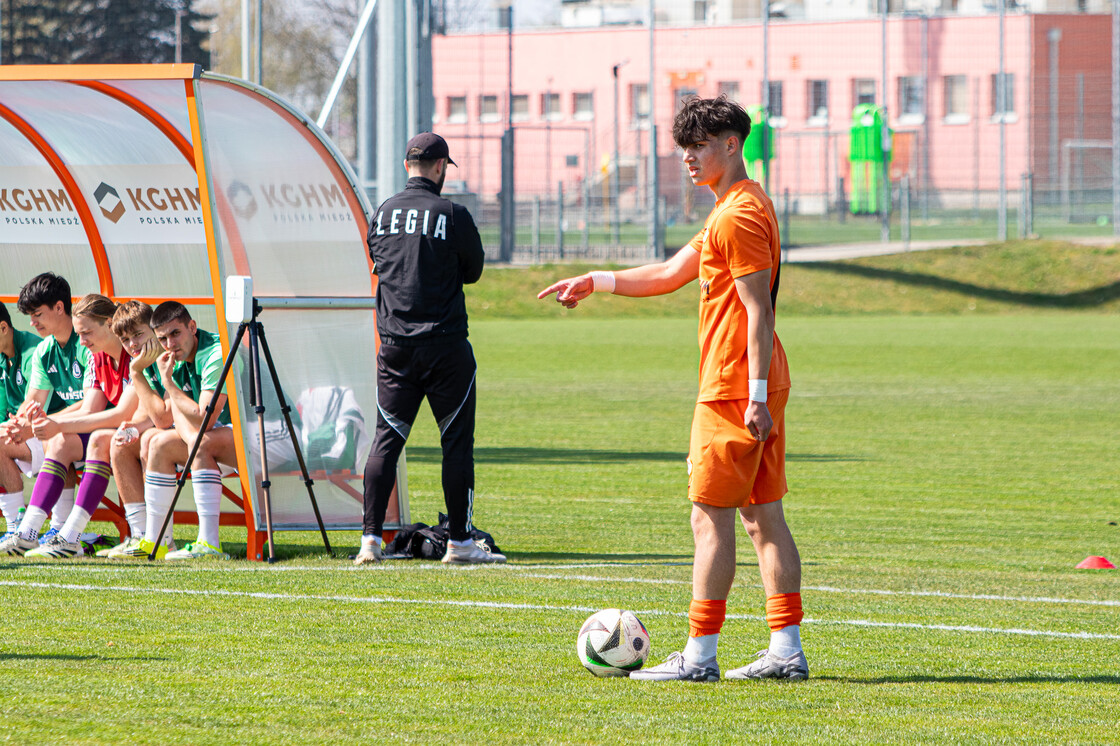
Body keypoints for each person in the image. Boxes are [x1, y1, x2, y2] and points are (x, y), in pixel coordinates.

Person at [538, 96, 807, 682]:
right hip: (749, 381)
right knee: (763, 517)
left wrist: (755, 393)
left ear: (732, 145)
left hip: (735, 385)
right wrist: (597, 281)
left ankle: (700, 657)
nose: (688, 159)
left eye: (699, 147)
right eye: (683, 148)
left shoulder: (736, 215)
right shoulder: (734, 207)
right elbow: (667, 274)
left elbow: (757, 310)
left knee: (709, 518)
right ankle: (785, 651)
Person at [356, 132, 501, 565]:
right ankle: (458, 543)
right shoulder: (452, 214)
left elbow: (378, 261)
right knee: (456, 444)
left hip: (396, 347)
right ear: (440, 167)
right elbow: (473, 271)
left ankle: (369, 542)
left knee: (386, 441)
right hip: (446, 347)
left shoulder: (382, 213)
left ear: (407, 167)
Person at [3, 295, 141, 558]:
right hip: (121, 430)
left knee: (98, 438)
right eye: (81, 334)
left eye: (87, 332)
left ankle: (71, 535)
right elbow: (92, 408)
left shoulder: (133, 354)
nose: (84, 340)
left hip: (142, 430)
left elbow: (117, 413)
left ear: (110, 324)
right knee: (61, 441)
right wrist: (42, 424)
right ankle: (29, 532)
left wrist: (48, 425)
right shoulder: (96, 357)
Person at [112, 301, 235, 560]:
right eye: (163, 338)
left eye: (175, 333)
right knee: (153, 443)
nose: (170, 343)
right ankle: (154, 539)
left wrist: (158, 379)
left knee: (197, 443)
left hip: (265, 435)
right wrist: (136, 426)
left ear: (192, 327)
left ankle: (209, 544)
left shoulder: (214, 352)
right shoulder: (172, 356)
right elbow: (166, 418)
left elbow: (204, 419)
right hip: (222, 437)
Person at [0, 273, 91, 554]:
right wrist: (19, 425)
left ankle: (60, 530)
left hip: (102, 427)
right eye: (29, 315)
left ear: (60, 308)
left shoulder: (87, 340)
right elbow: (32, 402)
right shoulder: (45, 350)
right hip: (66, 429)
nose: (32, 322)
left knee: (59, 438)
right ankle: (19, 528)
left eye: (37, 314)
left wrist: (44, 424)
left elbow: (93, 405)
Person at [0, 301, 41, 538]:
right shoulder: (2, 355)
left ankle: (16, 526)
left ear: (4, 327)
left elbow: (35, 406)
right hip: (21, 431)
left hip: (47, 430)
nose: (35, 322)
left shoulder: (33, 351)